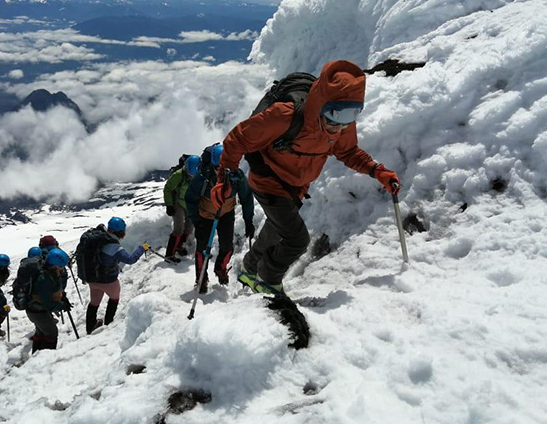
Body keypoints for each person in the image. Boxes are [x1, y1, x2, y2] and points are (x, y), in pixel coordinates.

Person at [213, 60, 401, 294]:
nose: (339, 127)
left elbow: (348, 151)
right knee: (297, 240)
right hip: (269, 181)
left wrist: (378, 171)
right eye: (335, 115)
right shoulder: (285, 116)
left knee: (277, 227)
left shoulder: (340, 124)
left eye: (351, 115)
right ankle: (269, 283)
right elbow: (237, 139)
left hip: (296, 187)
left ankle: (249, 269)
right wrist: (225, 176)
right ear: (321, 104)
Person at [185, 144, 254, 294]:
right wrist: (197, 221)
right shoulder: (203, 177)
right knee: (202, 249)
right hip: (205, 216)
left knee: (227, 247)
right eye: (217, 168)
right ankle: (201, 278)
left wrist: (248, 221)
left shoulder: (237, 176)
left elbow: (246, 198)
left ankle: (220, 268)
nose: (220, 171)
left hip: (226, 214)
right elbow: (190, 199)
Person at [79, 217, 148, 334]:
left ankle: (90, 328)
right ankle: (108, 324)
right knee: (114, 299)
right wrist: (142, 248)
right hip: (109, 281)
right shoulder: (114, 246)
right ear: (121, 231)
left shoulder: (98, 240)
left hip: (92, 279)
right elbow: (130, 259)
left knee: (94, 303)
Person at [25, 248, 70, 353]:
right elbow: (48, 303)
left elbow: (53, 290)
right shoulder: (44, 278)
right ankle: (44, 358)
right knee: (52, 333)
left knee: (41, 333)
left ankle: (36, 356)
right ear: (55, 265)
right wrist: (61, 305)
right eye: (61, 266)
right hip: (37, 311)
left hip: (35, 309)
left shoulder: (50, 273)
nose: (62, 269)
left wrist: (62, 297)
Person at [163, 154, 201, 261]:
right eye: (190, 174)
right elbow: (168, 189)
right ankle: (169, 255)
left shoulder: (201, 175)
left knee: (189, 227)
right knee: (178, 229)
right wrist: (169, 205)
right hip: (178, 203)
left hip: (191, 204)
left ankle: (179, 246)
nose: (192, 176)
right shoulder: (179, 175)